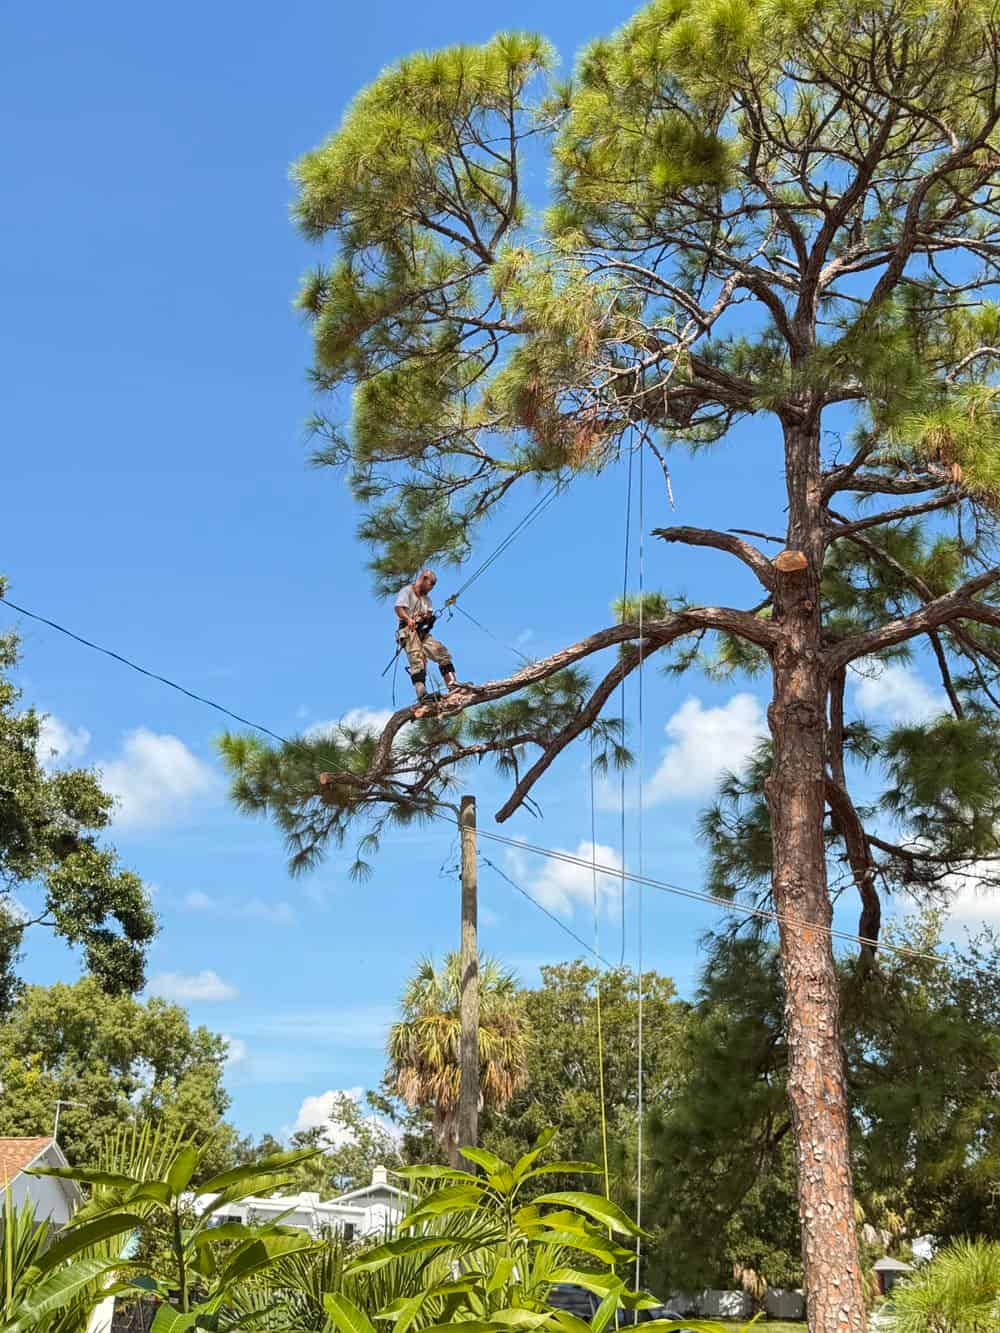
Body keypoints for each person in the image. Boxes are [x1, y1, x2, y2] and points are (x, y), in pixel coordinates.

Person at [394, 570, 462, 702]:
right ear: (423, 579)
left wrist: (427, 618)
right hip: (408, 631)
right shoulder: (407, 591)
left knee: (442, 653)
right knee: (417, 660)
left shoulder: (427, 600)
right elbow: (398, 608)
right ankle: (422, 694)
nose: (429, 590)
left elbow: (429, 615)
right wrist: (409, 619)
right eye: (430, 586)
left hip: (422, 634)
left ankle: (453, 686)